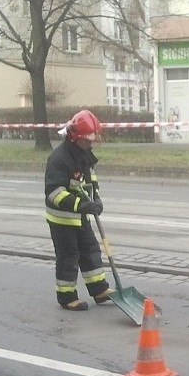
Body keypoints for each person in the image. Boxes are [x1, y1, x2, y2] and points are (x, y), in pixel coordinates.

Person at [44, 109, 113, 311]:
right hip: (62, 220)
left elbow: (91, 180)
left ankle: (99, 289)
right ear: (75, 138)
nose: (91, 143)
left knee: (90, 251)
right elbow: (54, 192)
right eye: (87, 140)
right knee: (68, 257)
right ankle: (66, 297)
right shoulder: (59, 159)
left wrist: (96, 199)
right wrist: (80, 205)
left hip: (80, 218)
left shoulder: (83, 155)